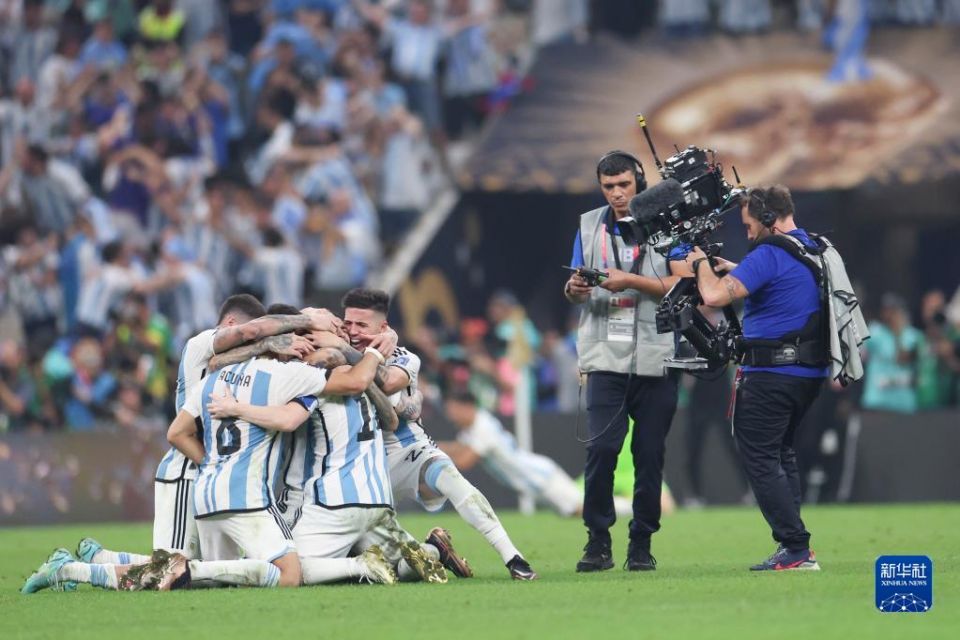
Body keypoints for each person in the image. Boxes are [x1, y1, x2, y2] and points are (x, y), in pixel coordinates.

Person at [75, 295, 334, 565]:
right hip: (186, 468)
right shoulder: (200, 343)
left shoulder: (236, 362)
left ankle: (98, 558)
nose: (253, 341)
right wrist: (306, 320)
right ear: (231, 323)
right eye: (253, 334)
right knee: (173, 567)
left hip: (211, 476)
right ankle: (89, 564)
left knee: (199, 569)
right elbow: (250, 332)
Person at [337, 288, 536, 580]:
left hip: (406, 453)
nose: (353, 331)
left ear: (383, 327)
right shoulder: (334, 353)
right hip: (359, 468)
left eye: (361, 325)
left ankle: (514, 558)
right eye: (348, 323)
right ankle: (435, 550)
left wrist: (366, 354)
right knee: (378, 566)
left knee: (451, 478)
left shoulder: (404, 357)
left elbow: (389, 383)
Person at [685, 184, 829, 571]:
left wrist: (699, 263)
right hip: (808, 372)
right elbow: (784, 282)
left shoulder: (768, 252)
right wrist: (737, 270)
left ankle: (796, 547)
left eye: (749, 226)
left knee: (760, 457)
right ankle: (794, 544)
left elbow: (714, 297)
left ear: (768, 218)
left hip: (771, 374)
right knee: (781, 454)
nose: (747, 234)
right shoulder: (811, 246)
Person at [563, 150, 683, 572]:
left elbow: (684, 282)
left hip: (658, 356)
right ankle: (597, 541)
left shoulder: (669, 223)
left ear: (640, 182)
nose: (616, 193)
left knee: (649, 456)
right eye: (608, 186)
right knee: (601, 449)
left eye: (624, 185)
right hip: (604, 358)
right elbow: (573, 287)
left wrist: (629, 280)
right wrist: (574, 289)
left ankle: (641, 544)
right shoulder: (588, 225)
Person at [440, 389, 632, 520]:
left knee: (585, 509)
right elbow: (460, 446)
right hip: (535, 481)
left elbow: (464, 461)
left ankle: (635, 506)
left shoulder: (483, 428)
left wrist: (434, 456)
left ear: (467, 407)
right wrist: (435, 447)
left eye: (453, 409)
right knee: (579, 511)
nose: (450, 415)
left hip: (540, 476)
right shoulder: (473, 427)